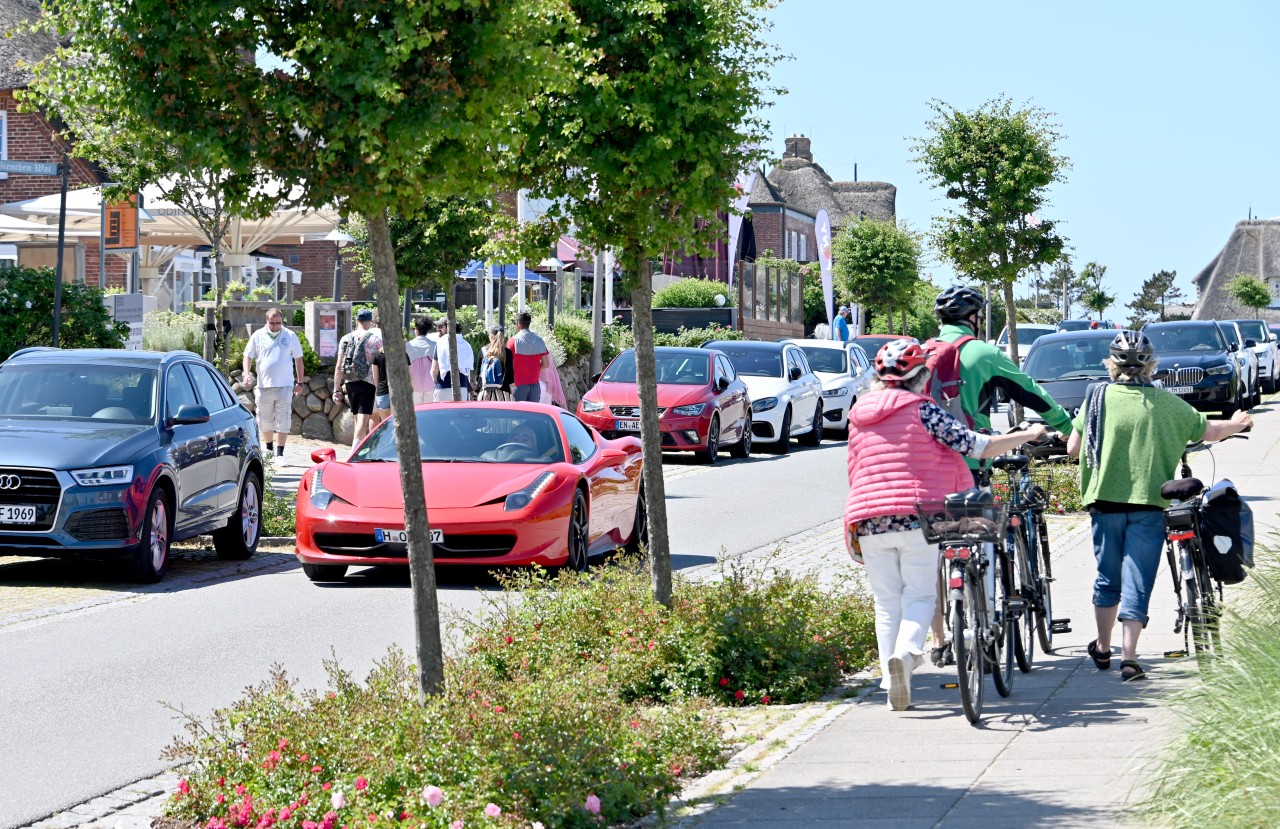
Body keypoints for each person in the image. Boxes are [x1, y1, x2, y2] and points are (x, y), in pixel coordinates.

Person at [845, 339, 1048, 711]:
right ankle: (905, 656)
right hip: (916, 516)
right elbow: (976, 446)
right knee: (920, 596)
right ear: (922, 376)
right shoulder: (924, 409)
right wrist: (1029, 434)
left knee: (886, 602)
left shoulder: (858, 413)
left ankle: (892, 683)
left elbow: (854, 467)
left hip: (869, 517)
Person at [1066, 330, 1252, 681]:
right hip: (1151, 504)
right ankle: (1130, 657)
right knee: (1139, 578)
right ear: (1151, 366)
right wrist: (1239, 423)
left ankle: (1103, 648)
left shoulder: (1096, 399)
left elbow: (1073, 449)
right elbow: (1209, 431)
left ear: (1111, 365)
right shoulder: (1168, 404)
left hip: (1104, 503)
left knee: (1108, 578)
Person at [932, 285, 1074, 482]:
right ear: (973, 318)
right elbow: (1030, 392)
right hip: (970, 463)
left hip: (925, 463)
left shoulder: (923, 352)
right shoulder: (985, 353)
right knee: (976, 512)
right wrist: (1069, 428)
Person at [241, 307, 305, 458]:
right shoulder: (258, 335)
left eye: (278, 323)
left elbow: (298, 360)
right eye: (272, 323)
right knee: (264, 419)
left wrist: (300, 382)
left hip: (285, 385)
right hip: (264, 386)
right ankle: (269, 449)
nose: (276, 326)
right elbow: (247, 356)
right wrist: (246, 373)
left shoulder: (290, 335)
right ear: (266, 321)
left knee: (283, 419)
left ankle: (280, 454)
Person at [333, 309, 382, 448]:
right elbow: (382, 362)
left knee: (357, 416)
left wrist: (336, 389)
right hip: (368, 382)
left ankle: (357, 446)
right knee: (363, 416)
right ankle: (355, 449)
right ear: (369, 322)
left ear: (356, 320)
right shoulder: (375, 340)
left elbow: (338, 366)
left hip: (350, 381)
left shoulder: (345, 339)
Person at [507, 312, 549, 402]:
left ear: (518, 323)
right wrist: (536, 367)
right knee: (533, 414)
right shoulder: (539, 341)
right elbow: (546, 364)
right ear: (529, 323)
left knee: (518, 414)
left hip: (518, 385)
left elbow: (506, 364)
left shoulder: (512, 342)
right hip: (535, 385)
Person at [433, 319, 476, 402]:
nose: (438, 329)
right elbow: (468, 370)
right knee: (459, 414)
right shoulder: (466, 345)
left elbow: (435, 369)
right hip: (462, 387)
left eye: (441, 327)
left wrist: (436, 382)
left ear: (449, 328)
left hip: (443, 387)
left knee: (441, 414)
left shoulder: (440, 342)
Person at [405, 315, 436, 405]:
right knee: (430, 413)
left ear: (416, 329)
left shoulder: (407, 346)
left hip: (413, 385)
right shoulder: (435, 345)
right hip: (431, 385)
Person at [477, 325, 513, 402]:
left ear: (491, 336)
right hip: (504, 393)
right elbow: (510, 377)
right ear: (502, 336)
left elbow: (478, 375)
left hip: (485, 392)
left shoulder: (483, 351)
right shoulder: (507, 352)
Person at [369, 343, 391, 428]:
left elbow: (375, 378)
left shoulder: (377, 355)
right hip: (399, 393)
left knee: (386, 425)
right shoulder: (402, 354)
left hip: (382, 393)